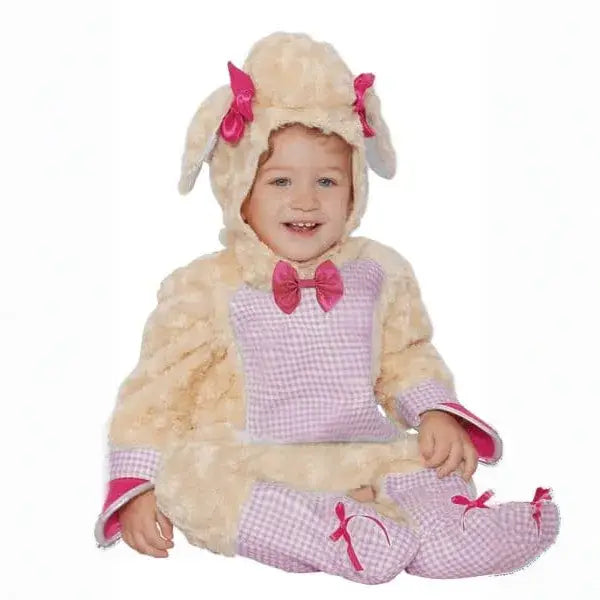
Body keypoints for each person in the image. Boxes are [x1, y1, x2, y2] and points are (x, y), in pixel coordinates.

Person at [95, 31, 559, 583]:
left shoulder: (378, 270)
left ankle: (449, 532)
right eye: (280, 181)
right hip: (255, 460)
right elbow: (155, 395)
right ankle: (336, 534)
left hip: (358, 450)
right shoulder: (204, 286)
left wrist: (433, 411)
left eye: (327, 181)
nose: (306, 200)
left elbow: (405, 356)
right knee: (191, 480)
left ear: (354, 188)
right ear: (238, 187)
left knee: (423, 460)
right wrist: (138, 486)